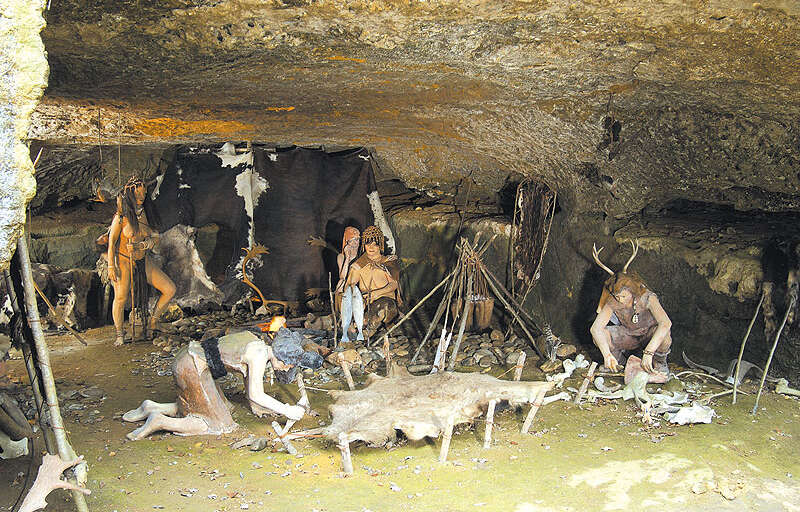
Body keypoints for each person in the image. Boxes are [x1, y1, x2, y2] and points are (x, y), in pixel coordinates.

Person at [122, 328, 322, 440]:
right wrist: (287, 410)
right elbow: (256, 393)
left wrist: (257, 408)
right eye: (288, 365)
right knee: (218, 425)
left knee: (224, 407)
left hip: (192, 359)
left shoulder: (257, 343)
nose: (287, 369)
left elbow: (250, 382)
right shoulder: (259, 355)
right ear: (283, 357)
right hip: (191, 366)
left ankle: (152, 407)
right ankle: (159, 421)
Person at [589, 241, 672, 382]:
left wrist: (649, 352)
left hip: (648, 335)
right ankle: (616, 362)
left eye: (624, 296)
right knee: (599, 335)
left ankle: (660, 364)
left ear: (631, 291)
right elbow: (595, 328)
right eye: (617, 296)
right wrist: (606, 354)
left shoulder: (647, 297)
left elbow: (666, 323)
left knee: (664, 336)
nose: (620, 300)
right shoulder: (613, 301)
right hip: (628, 335)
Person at [107, 176, 176, 345]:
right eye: (138, 193)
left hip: (142, 260)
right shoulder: (121, 217)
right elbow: (111, 243)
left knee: (170, 289)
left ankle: (153, 321)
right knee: (121, 297)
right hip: (123, 260)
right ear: (130, 194)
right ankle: (119, 334)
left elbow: (155, 236)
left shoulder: (147, 213)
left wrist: (147, 243)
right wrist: (111, 265)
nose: (141, 196)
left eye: (144, 193)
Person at [342, 225, 402, 340]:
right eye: (368, 243)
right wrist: (357, 298)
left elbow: (394, 284)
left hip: (385, 301)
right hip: (364, 302)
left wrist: (375, 294)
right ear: (364, 245)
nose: (371, 247)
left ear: (380, 245)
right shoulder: (358, 265)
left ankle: (368, 330)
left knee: (383, 307)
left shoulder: (388, 262)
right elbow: (350, 285)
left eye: (375, 244)